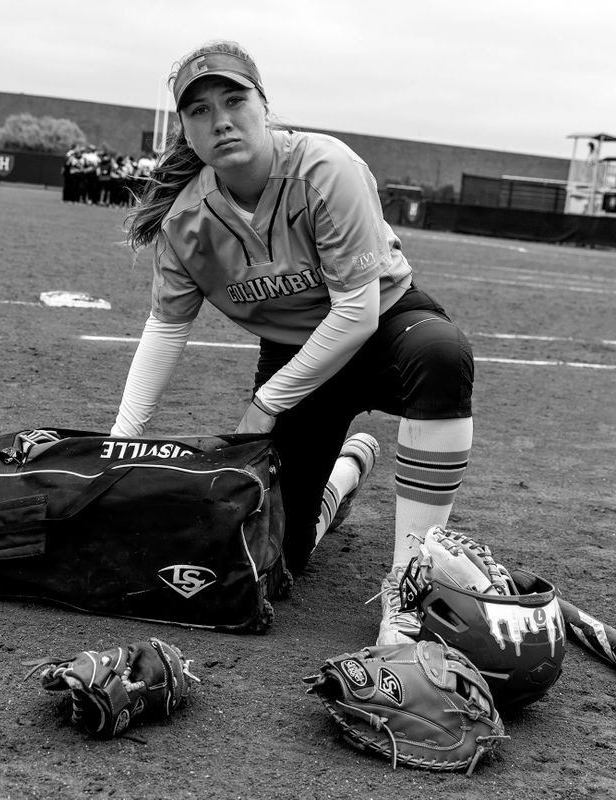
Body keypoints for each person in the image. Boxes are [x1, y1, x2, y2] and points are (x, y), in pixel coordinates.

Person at [110, 40, 475, 646]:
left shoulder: (325, 168)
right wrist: (119, 446)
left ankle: (409, 582)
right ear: (186, 133)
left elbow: (356, 313)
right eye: (199, 111)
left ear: (264, 106)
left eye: (235, 99)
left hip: (383, 326)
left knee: (442, 355)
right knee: (275, 557)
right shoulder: (185, 221)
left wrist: (268, 403)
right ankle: (343, 477)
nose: (221, 119)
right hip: (296, 355)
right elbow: (166, 331)